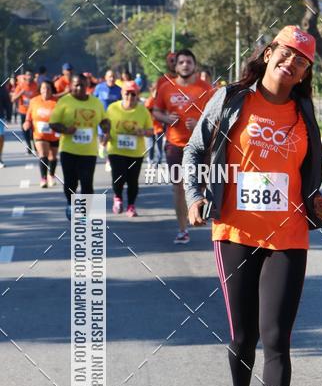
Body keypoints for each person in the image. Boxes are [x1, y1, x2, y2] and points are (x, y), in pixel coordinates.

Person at [184, 26, 322, 386]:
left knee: (277, 339)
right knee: (243, 336)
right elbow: (194, 150)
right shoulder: (231, 100)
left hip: (287, 236)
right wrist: (195, 196)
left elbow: (309, 172)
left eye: (301, 60)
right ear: (269, 53)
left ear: (306, 71)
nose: (291, 63)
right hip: (234, 230)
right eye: (286, 53)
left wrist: (317, 200)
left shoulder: (304, 111)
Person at [153, 49, 214, 243]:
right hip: (175, 145)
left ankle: (197, 213)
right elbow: (156, 111)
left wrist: (200, 125)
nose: (185, 65)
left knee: (201, 186)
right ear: (176, 66)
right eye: (181, 62)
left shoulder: (207, 89)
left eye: (189, 62)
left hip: (201, 146)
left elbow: (217, 118)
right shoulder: (166, 88)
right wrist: (166, 118)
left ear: (194, 65)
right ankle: (182, 229)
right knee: (179, 187)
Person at [49, 73, 109, 219]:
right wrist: (66, 130)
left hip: (89, 151)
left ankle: (85, 213)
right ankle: (71, 203)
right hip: (69, 150)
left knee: (87, 181)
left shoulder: (95, 102)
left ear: (87, 86)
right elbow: (53, 123)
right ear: (70, 86)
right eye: (76, 85)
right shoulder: (64, 101)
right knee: (71, 181)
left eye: (82, 85)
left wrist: (106, 128)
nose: (79, 88)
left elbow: (104, 120)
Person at [106, 81, 153, 216]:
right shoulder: (112, 108)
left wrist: (142, 132)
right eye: (127, 93)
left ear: (137, 95)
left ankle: (131, 206)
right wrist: (105, 136)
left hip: (136, 152)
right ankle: (118, 198)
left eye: (133, 94)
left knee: (132, 180)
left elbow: (150, 131)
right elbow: (105, 126)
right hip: (116, 149)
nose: (130, 97)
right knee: (118, 176)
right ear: (122, 93)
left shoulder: (142, 110)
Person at [23, 80, 59, 187]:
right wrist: (27, 122)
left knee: (53, 156)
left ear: (52, 89)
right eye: (43, 88)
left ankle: (51, 175)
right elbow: (29, 115)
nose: (46, 90)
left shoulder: (57, 101)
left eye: (48, 88)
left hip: (54, 134)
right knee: (43, 154)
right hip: (39, 134)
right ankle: (43, 178)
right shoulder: (34, 101)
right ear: (40, 90)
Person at [11, 69, 38, 154]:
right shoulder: (21, 85)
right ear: (25, 76)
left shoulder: (36, 86)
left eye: (31, 75)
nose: (29, 77)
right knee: (25, 130)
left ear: (33, 76)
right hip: (23, 111)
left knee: (33, 130)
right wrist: (21, 93)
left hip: (33, 112)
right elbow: (13, 99)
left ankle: (36, 147)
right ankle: (29, 147)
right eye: (28, 75)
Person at [0, 81, 11, 167]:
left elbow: (7, 102)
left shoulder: (2, 88)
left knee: (0, 137)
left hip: (0, 117)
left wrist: (9, 116)